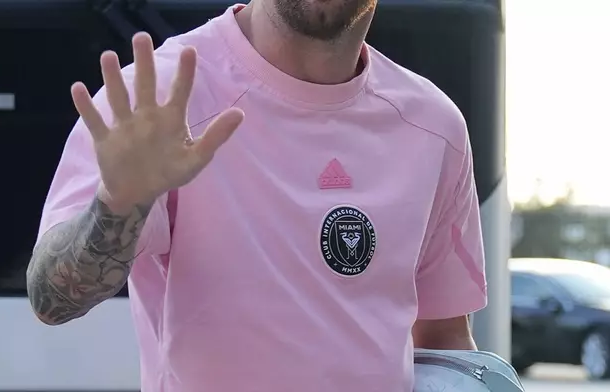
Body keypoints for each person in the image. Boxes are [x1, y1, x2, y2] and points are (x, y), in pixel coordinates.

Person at [27, 1, 487, 391]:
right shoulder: (162, 98)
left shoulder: (432, 126)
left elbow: (444, 337)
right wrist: (118, 203)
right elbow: (52, 299)